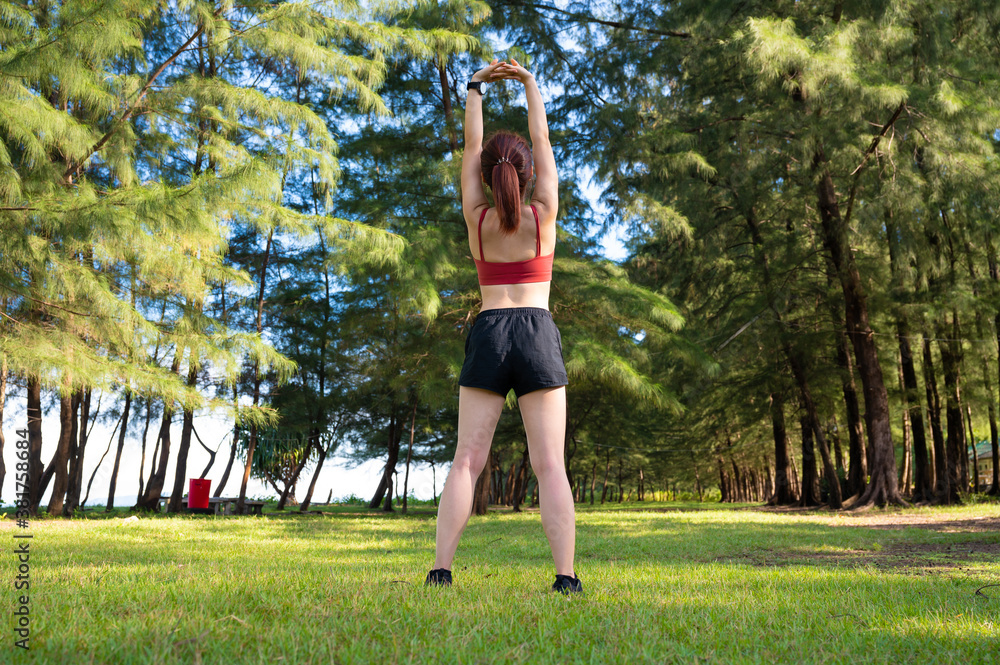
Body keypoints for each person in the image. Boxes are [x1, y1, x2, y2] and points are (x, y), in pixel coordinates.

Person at [424, 58, 582, 594]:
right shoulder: (544, 215)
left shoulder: (479, 219)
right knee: (549, 466)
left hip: (490, 331)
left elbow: (471, 151)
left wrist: (474, 90)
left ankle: (441, 571)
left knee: (467, 460)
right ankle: (565, 579)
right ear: (528, 173)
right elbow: (541, 138)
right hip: (537, 332)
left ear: (490, 175)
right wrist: (531, 84)